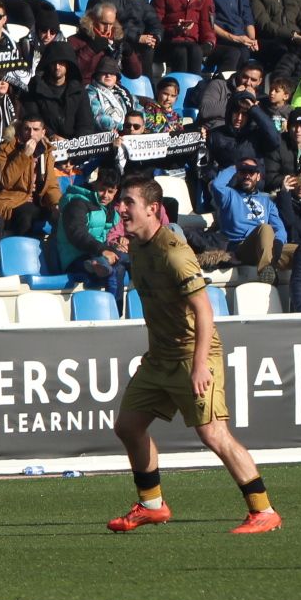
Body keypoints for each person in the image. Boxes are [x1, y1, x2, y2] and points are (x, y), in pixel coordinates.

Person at [106, 176, 282, 536]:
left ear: (153, 209)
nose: (120, 208)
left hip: (192, 355)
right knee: (128, 426)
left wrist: (200, 365)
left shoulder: (174, 252)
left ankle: (263, 510)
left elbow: (204, 311)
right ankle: (152, 505)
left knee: (213, 433)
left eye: (128, 202)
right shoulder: (137, 246)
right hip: (160, 357)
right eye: (120, 202)